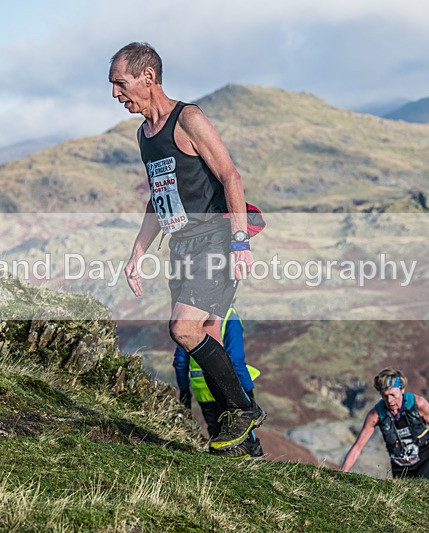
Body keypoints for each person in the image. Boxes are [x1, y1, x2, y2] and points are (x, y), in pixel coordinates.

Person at [109, 42, 265, 458]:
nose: (115, 95)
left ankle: (244, 410)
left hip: (215, 239)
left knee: (183, 330)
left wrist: (238, 241)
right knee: (206, 335)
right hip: (181, 245)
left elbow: (230, 176)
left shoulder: (189, 119)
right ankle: (246, 447)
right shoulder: (145, 135)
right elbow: (158, 200)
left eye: (120, 84)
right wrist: (137, 253)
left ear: (148, 77)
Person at [174, 304, 264, 458]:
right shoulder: (229, 317)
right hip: (228, 389)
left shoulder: (193, 315)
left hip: (202, 391)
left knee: (217, 435)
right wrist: (247, 390)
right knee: (240, 431)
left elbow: (180, 362)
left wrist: (184, 390)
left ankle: (222, 467)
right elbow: (236, 361)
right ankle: (253, 459)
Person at [340, 368, 429, 480]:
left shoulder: (419, 404)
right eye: (385, 396)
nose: (390, 400)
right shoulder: (375, 415)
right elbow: (357, 447)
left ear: (402, 390)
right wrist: (342, 473)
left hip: (427, 461)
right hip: (401, 470)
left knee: (417, 494)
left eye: (393, 394)